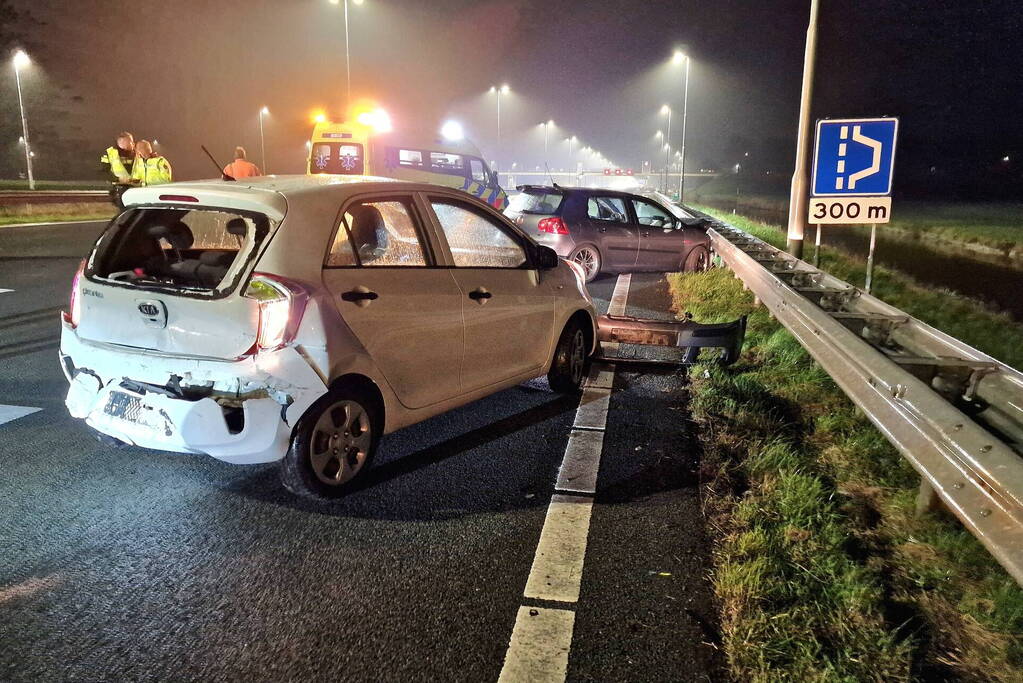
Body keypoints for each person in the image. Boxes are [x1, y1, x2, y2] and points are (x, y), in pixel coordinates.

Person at [100, 131, 136, 208]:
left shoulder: (136, 153)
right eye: (131, 142)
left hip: (136, 188)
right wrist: (118, 179)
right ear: (123, 142)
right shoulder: (109, 153)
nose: (133, 144)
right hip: (119, 189)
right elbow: (104, 172)